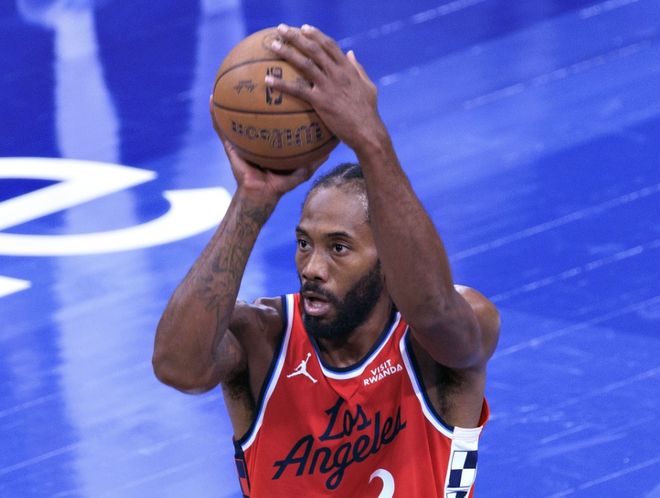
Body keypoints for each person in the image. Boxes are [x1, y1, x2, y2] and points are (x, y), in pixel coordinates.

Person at [153, 23, 500, 497]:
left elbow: (433, 308)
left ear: (388, 259)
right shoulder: (263, 338)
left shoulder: (450, 337)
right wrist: (251, 202)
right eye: (304, 243)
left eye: (339, 247)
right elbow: (176, 367)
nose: (312, 267)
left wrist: (371, 140)